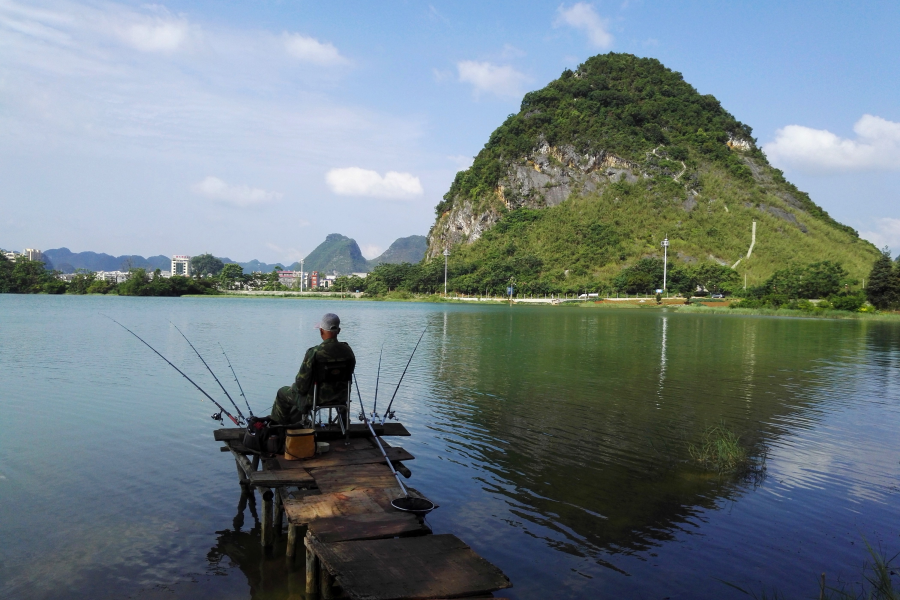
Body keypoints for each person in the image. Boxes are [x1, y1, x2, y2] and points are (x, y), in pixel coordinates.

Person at [270, 313, 356, 426]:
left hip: (315, 399)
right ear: (338, 330)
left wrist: (294, 388)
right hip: (341, 397)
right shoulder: (348, 351)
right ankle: (343, 425)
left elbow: (301, 386)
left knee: (282, 393)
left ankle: (277, 430)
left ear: (321, 331)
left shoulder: (314, 353)